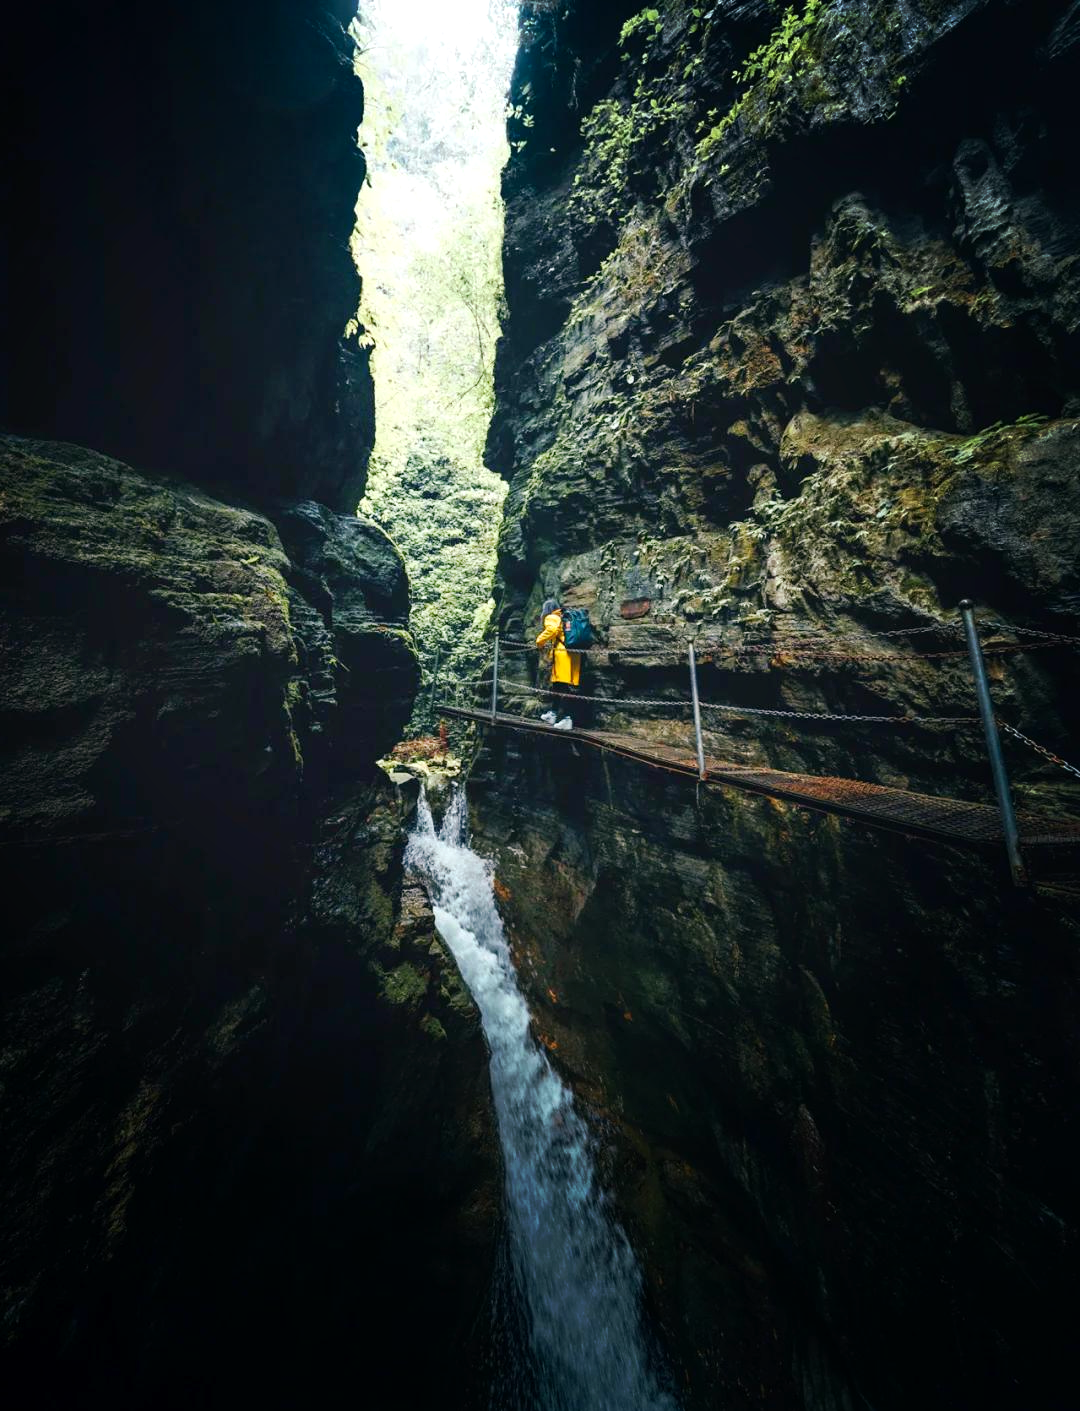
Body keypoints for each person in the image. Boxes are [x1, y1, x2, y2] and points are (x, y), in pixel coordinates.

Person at [535, 598, 582, 729]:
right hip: (573, 655)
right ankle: (553, 714)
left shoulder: (552, 617)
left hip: (563, 655)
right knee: (558, 685)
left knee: (564, 687)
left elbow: (551, 630)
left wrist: (539, 642)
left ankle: (567, 720)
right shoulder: (564, 616)